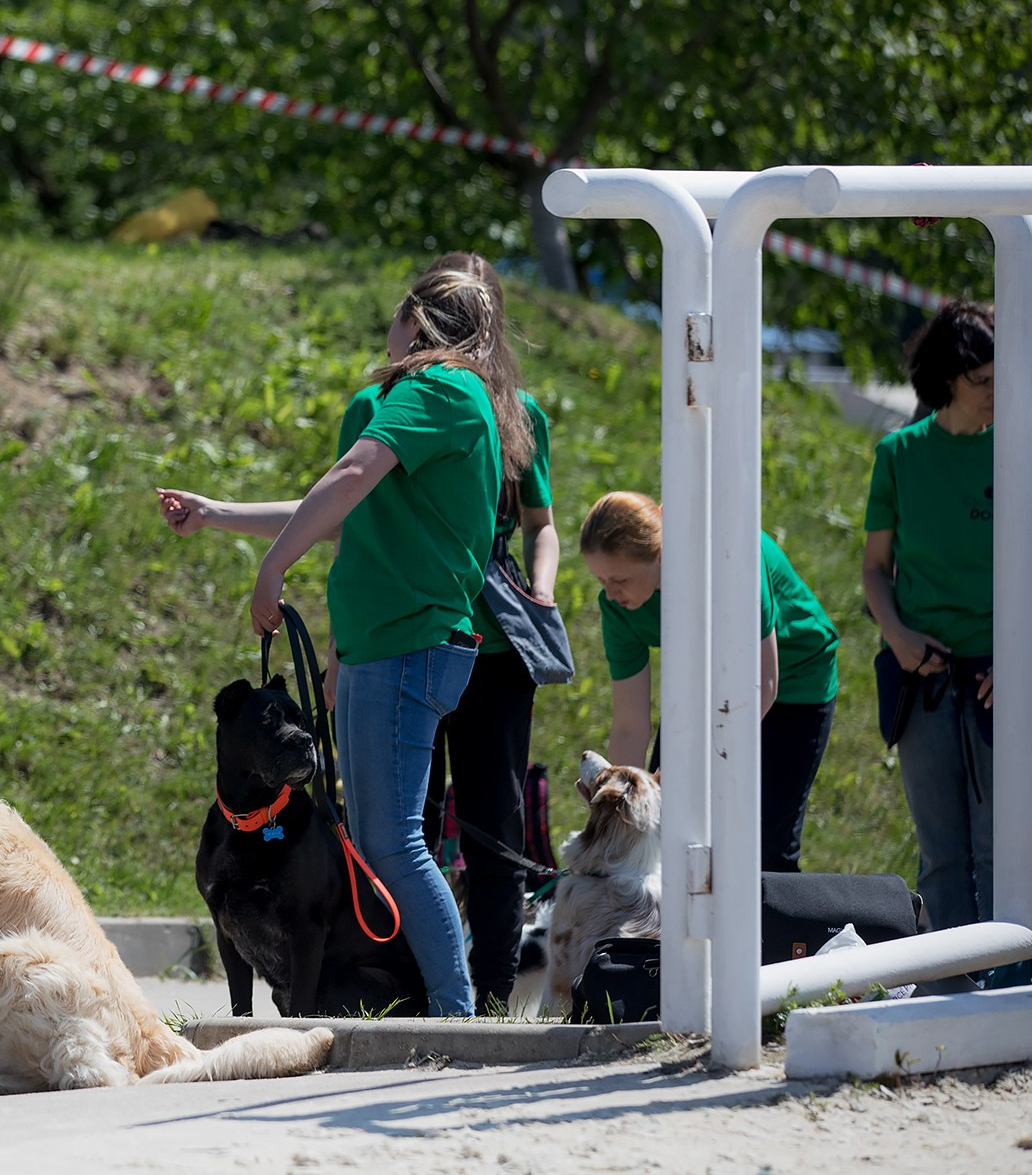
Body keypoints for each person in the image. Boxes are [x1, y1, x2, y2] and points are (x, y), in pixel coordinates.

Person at [159, 266, 531, 1016]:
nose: (385, 338)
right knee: (379, 837)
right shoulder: (449, 397)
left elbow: (353, 472)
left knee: (392, 842)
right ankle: (438, 1006)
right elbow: (336, 507)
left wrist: (275, 566)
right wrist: (220, 514)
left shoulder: (438, 389)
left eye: (393, 322)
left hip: (406, 644)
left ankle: (455, 1012)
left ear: (416, 325)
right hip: (389, 645)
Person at [413, 252, 558, 1015]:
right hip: (421, 629)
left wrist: (543, 586)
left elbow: (543, 525)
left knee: (494, 817)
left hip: (498, 647)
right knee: (413, 817)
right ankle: (417, 980)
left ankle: (497, 988)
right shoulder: (405, 403)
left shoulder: (522, 412)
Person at [578, 492, 839, 872]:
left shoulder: (731, 555)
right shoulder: (618, 607)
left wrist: (690, 763)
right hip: (703, 685)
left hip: (793, 687)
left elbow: (761, 685)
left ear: (661, 556)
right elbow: (630, 725)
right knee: (666, 833)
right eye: (601, 579)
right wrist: (619, 801)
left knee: (764, 849)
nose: (610, 592)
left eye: (619, 578)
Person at [863, 300, 994, 936]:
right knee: (942, 856)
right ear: (946, 379)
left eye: (1003, 375)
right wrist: (899, 636)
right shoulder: (899, 455)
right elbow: (873, 571)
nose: (998, 392)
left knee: (1005, 853)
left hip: (1004, 678)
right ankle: (948, 993)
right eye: (982, 381)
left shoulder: (1019, 447)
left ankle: (1009, 993)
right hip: (923, 677)